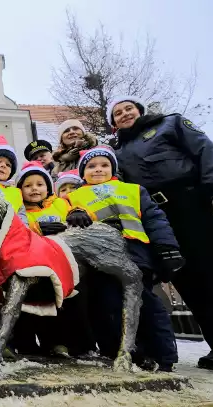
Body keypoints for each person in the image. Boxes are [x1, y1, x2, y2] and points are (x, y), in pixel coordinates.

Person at [108, 95, 213, 372]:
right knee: (187, 281)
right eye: (117, 113)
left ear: (139, 110)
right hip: (158, 217)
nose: (124, 114)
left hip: (191, 205)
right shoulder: (116, 153)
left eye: (128, 109)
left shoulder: (170, 124)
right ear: (113, 124)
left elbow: (205, 151)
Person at [68, 145, 182, 371]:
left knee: (146, 305)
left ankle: (163, 355)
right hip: (100, 258)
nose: (98, 169)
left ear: (113, 168)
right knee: (108, 306)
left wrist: (167, 248)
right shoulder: (74, 196)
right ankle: (122, 352)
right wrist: (73, 214)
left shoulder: (133, 190)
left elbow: (155, 219)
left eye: (104, 165)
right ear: (82, 173)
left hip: (135, 252)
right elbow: (67, 220)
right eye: (91, 166)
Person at [13, 161, 94, 357]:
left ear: (48, 187)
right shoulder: (21, 212)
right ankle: (37, 345)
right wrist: (37, 230)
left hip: (68, 265)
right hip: (38, 267)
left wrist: (79, 213)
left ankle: (75, 346)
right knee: (40, 308)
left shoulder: (61, 203)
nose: (34, 189)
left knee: (73, 308)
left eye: (40, 184)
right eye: (28, 185)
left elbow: (84, 214)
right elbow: (17, 233)